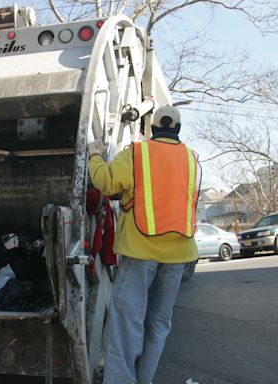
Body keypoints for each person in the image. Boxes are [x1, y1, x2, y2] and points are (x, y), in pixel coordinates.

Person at [88, 105, 201, 384]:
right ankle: (144, 379)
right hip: (180, 253)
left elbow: (106, 183)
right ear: (177, 129)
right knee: (159, 324)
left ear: (153, 129)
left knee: (128, 320)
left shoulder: (137, 154)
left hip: (141, 249)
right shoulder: (193, 159)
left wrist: (95, 157)